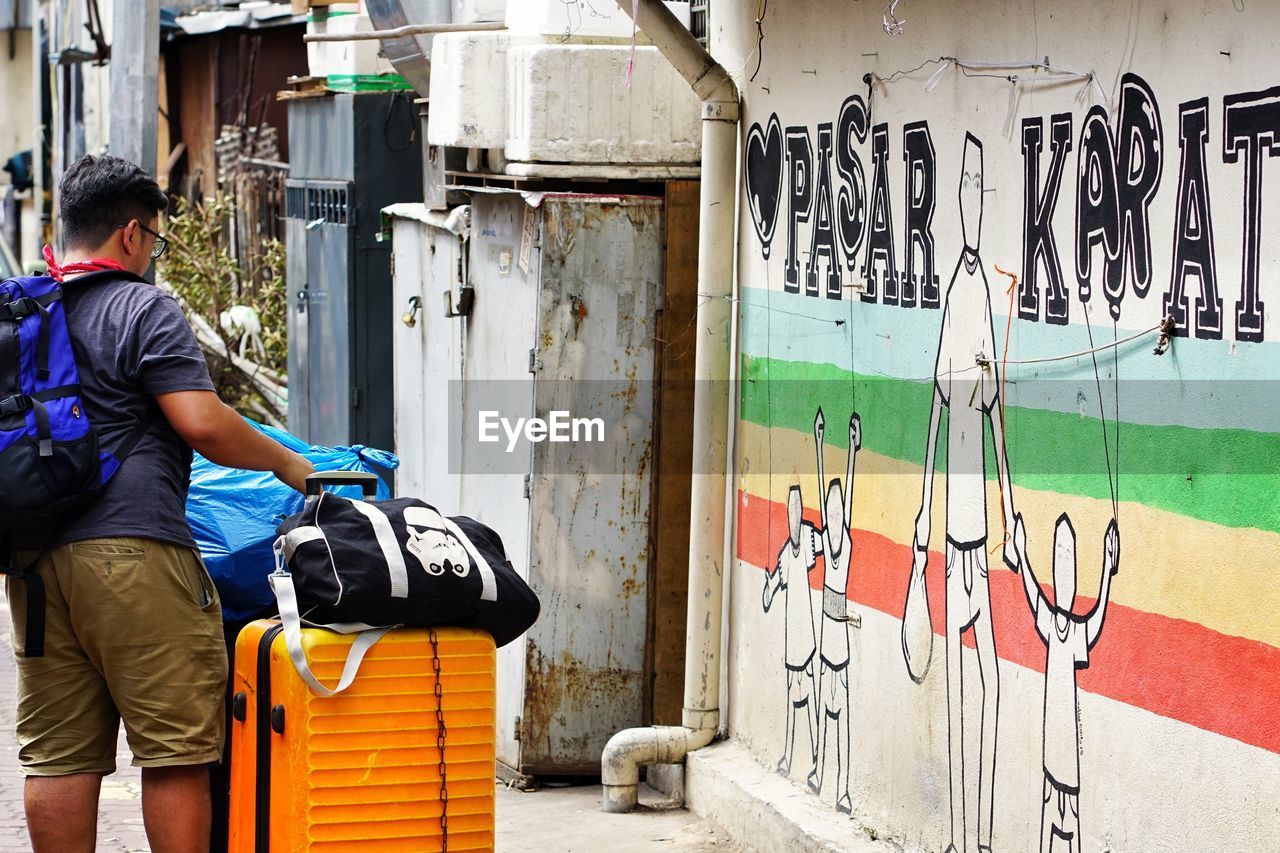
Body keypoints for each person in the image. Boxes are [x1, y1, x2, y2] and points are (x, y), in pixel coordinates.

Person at [5, 154, 314, 853]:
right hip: (134, 553)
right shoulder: (141, 306)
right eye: (156, 240)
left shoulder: (25, 316)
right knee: (175, 747)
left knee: (57, 752)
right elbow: (201, 421)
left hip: (30, 563)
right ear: (133, 234)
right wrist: (285, 461)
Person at [910, 133, 1017, 853]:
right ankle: (959, 834)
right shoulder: (955, 294)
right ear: (956, 198)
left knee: (993, 683)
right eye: (966, 184)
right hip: (953, 536)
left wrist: (1010, 508)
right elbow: (936, 413)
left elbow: (996, 413)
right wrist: (922, 508)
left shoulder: (986, 293)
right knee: (955, 686)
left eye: (982, 184)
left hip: (982, 536)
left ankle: (979, 837)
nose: (973, 197)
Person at [1012, 512, 1119, 853]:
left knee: (1069, 815)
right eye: (1059, 557)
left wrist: (1107, 567)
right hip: (1051, 742)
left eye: (1068, 558)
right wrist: (1020, 551)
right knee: (1049, 809)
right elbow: (1031, 590)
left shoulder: (1074, 633)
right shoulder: (1052, 621)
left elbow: (1099, 612)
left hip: (1068, 746)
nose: (1064, 569)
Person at [762, 483, 823, 777]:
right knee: (793, 695)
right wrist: (767, 587)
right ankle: (789, 754)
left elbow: (835, 540)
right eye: (791, 510)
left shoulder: (811, 537)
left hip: (807, 635)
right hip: (792, 635)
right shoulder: (786, 553)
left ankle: (815, 754)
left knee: (808, 693)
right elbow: (770, 591)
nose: (794, 516)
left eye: (798, 509)